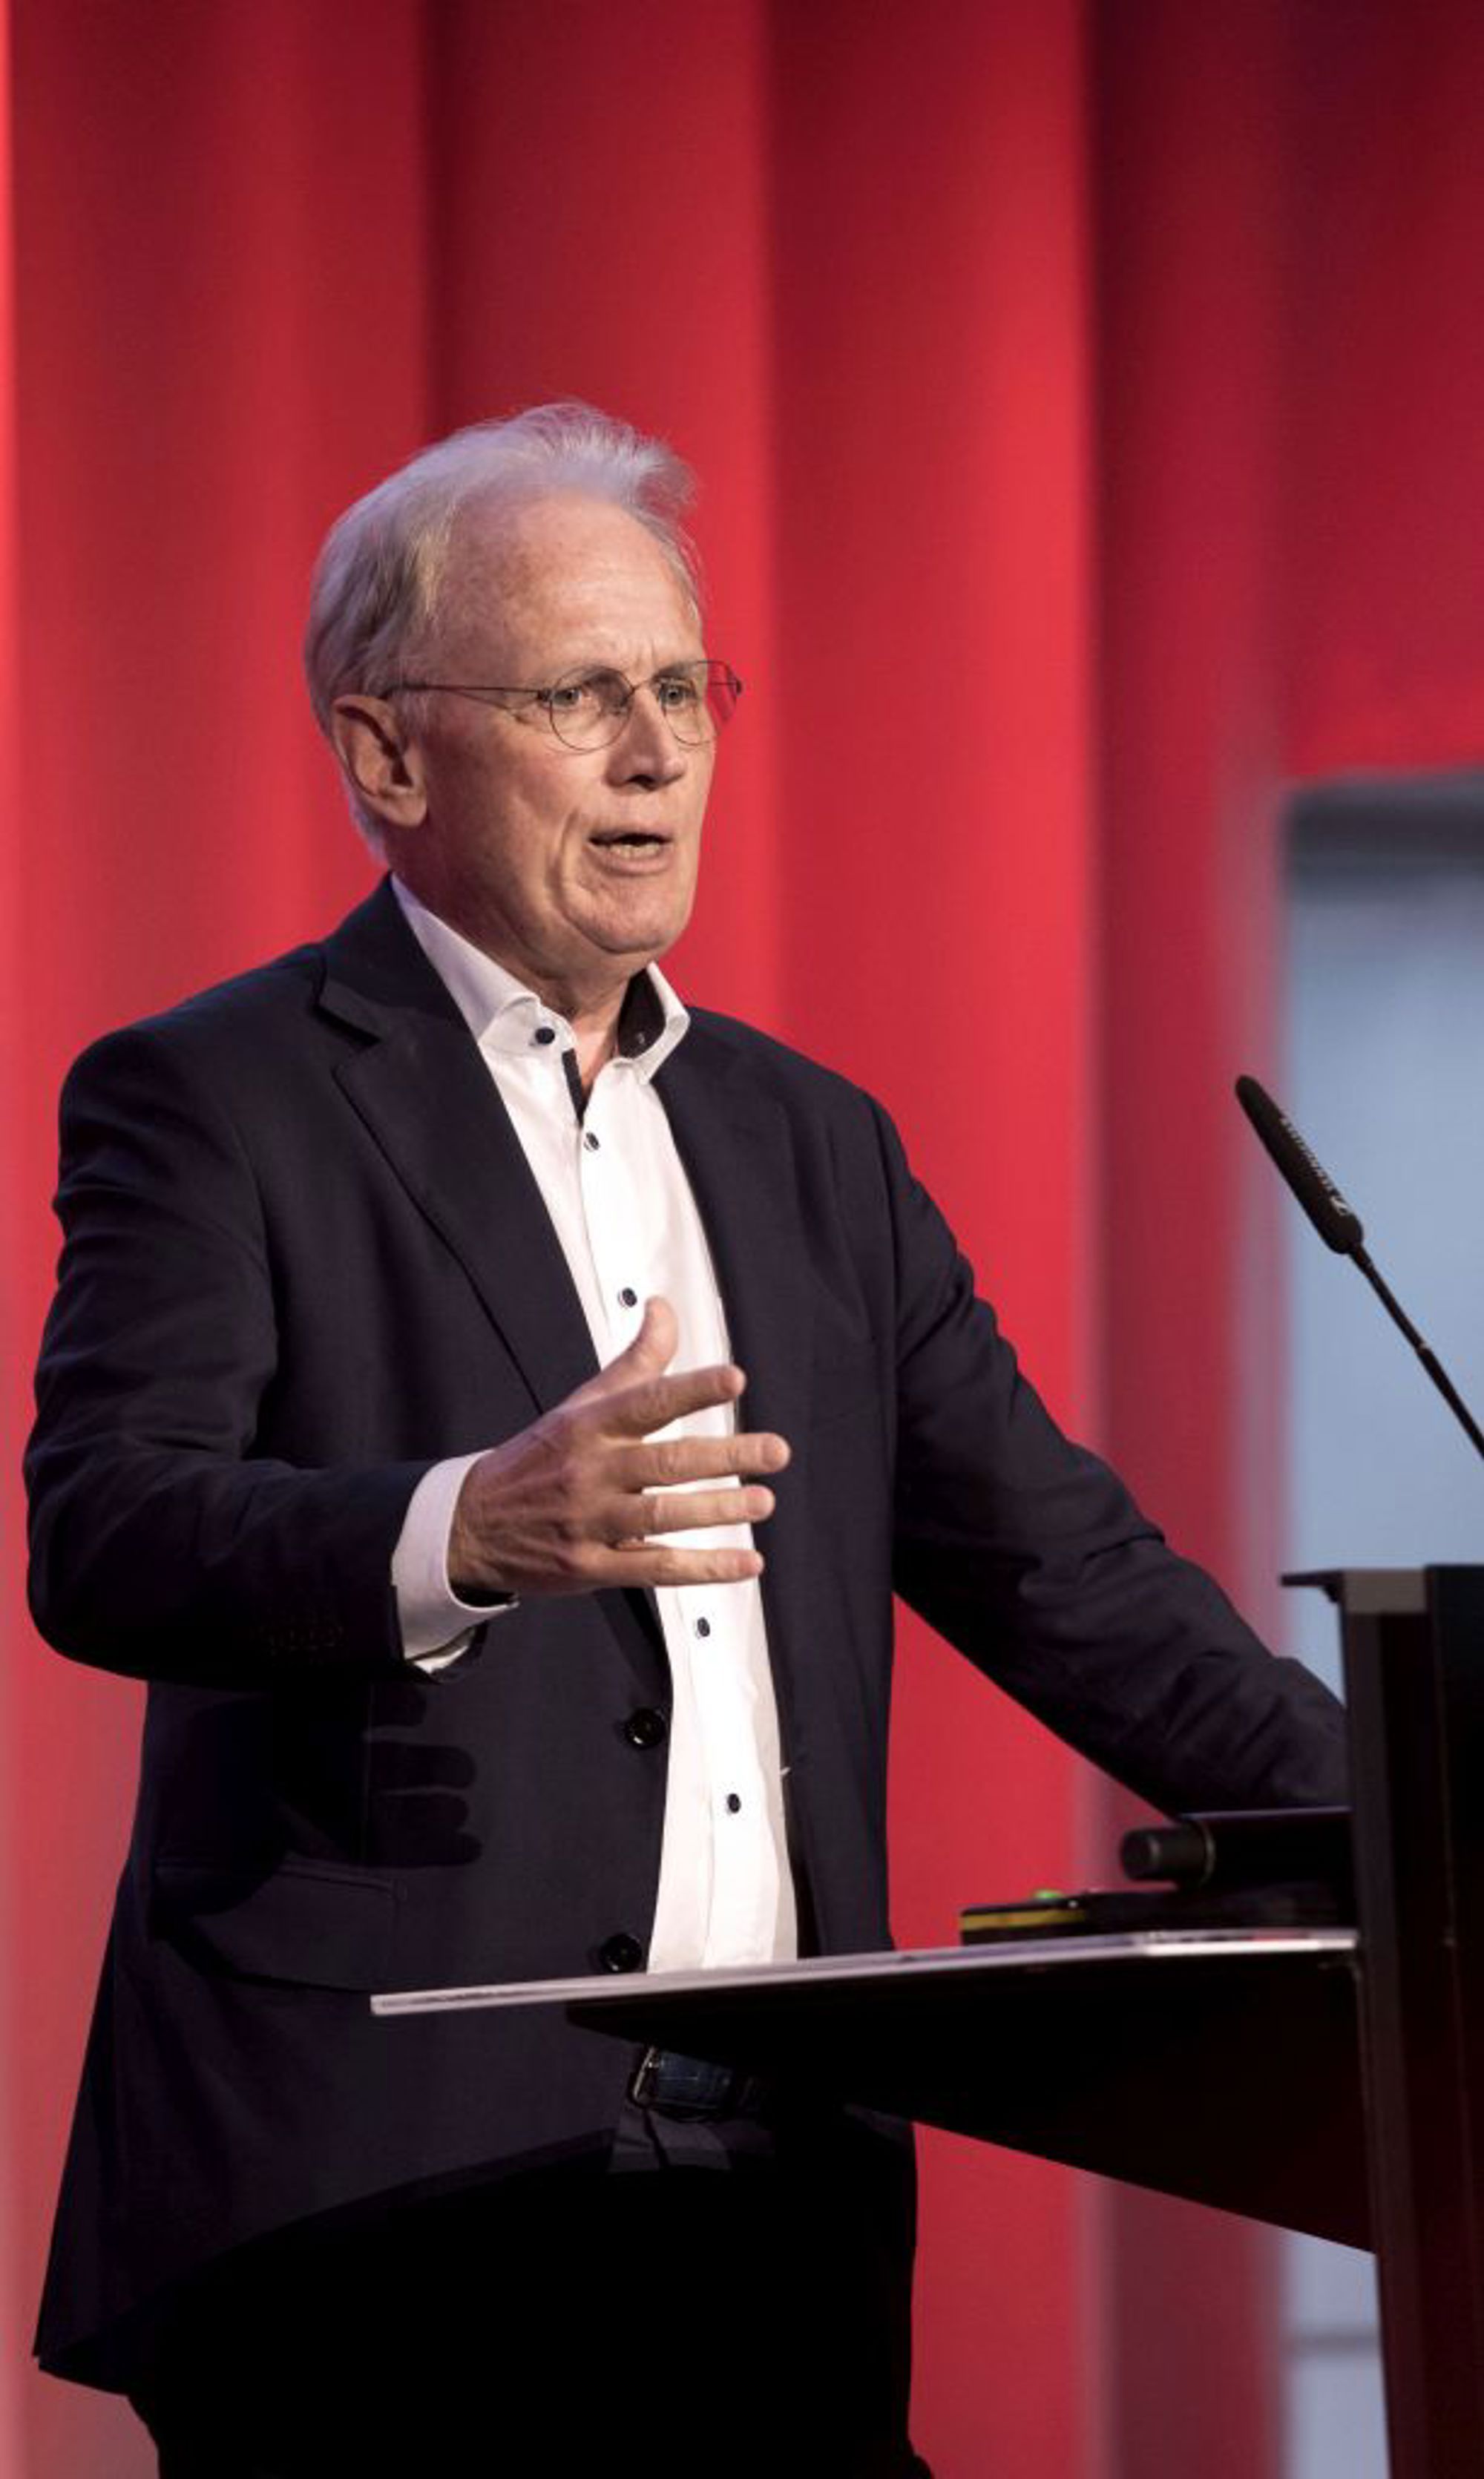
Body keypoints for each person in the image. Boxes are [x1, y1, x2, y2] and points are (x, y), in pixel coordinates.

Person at [27, 403, 1346, 2478]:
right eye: (579, 695)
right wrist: (466, 1527)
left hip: (774, 2206)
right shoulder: (220, 1096)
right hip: (379, 2215)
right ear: (388, 753)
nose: (655, 754)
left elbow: (1072, 1581)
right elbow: (109, 1531)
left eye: (683, 689)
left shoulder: (813, 1147)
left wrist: (1412, 1830)